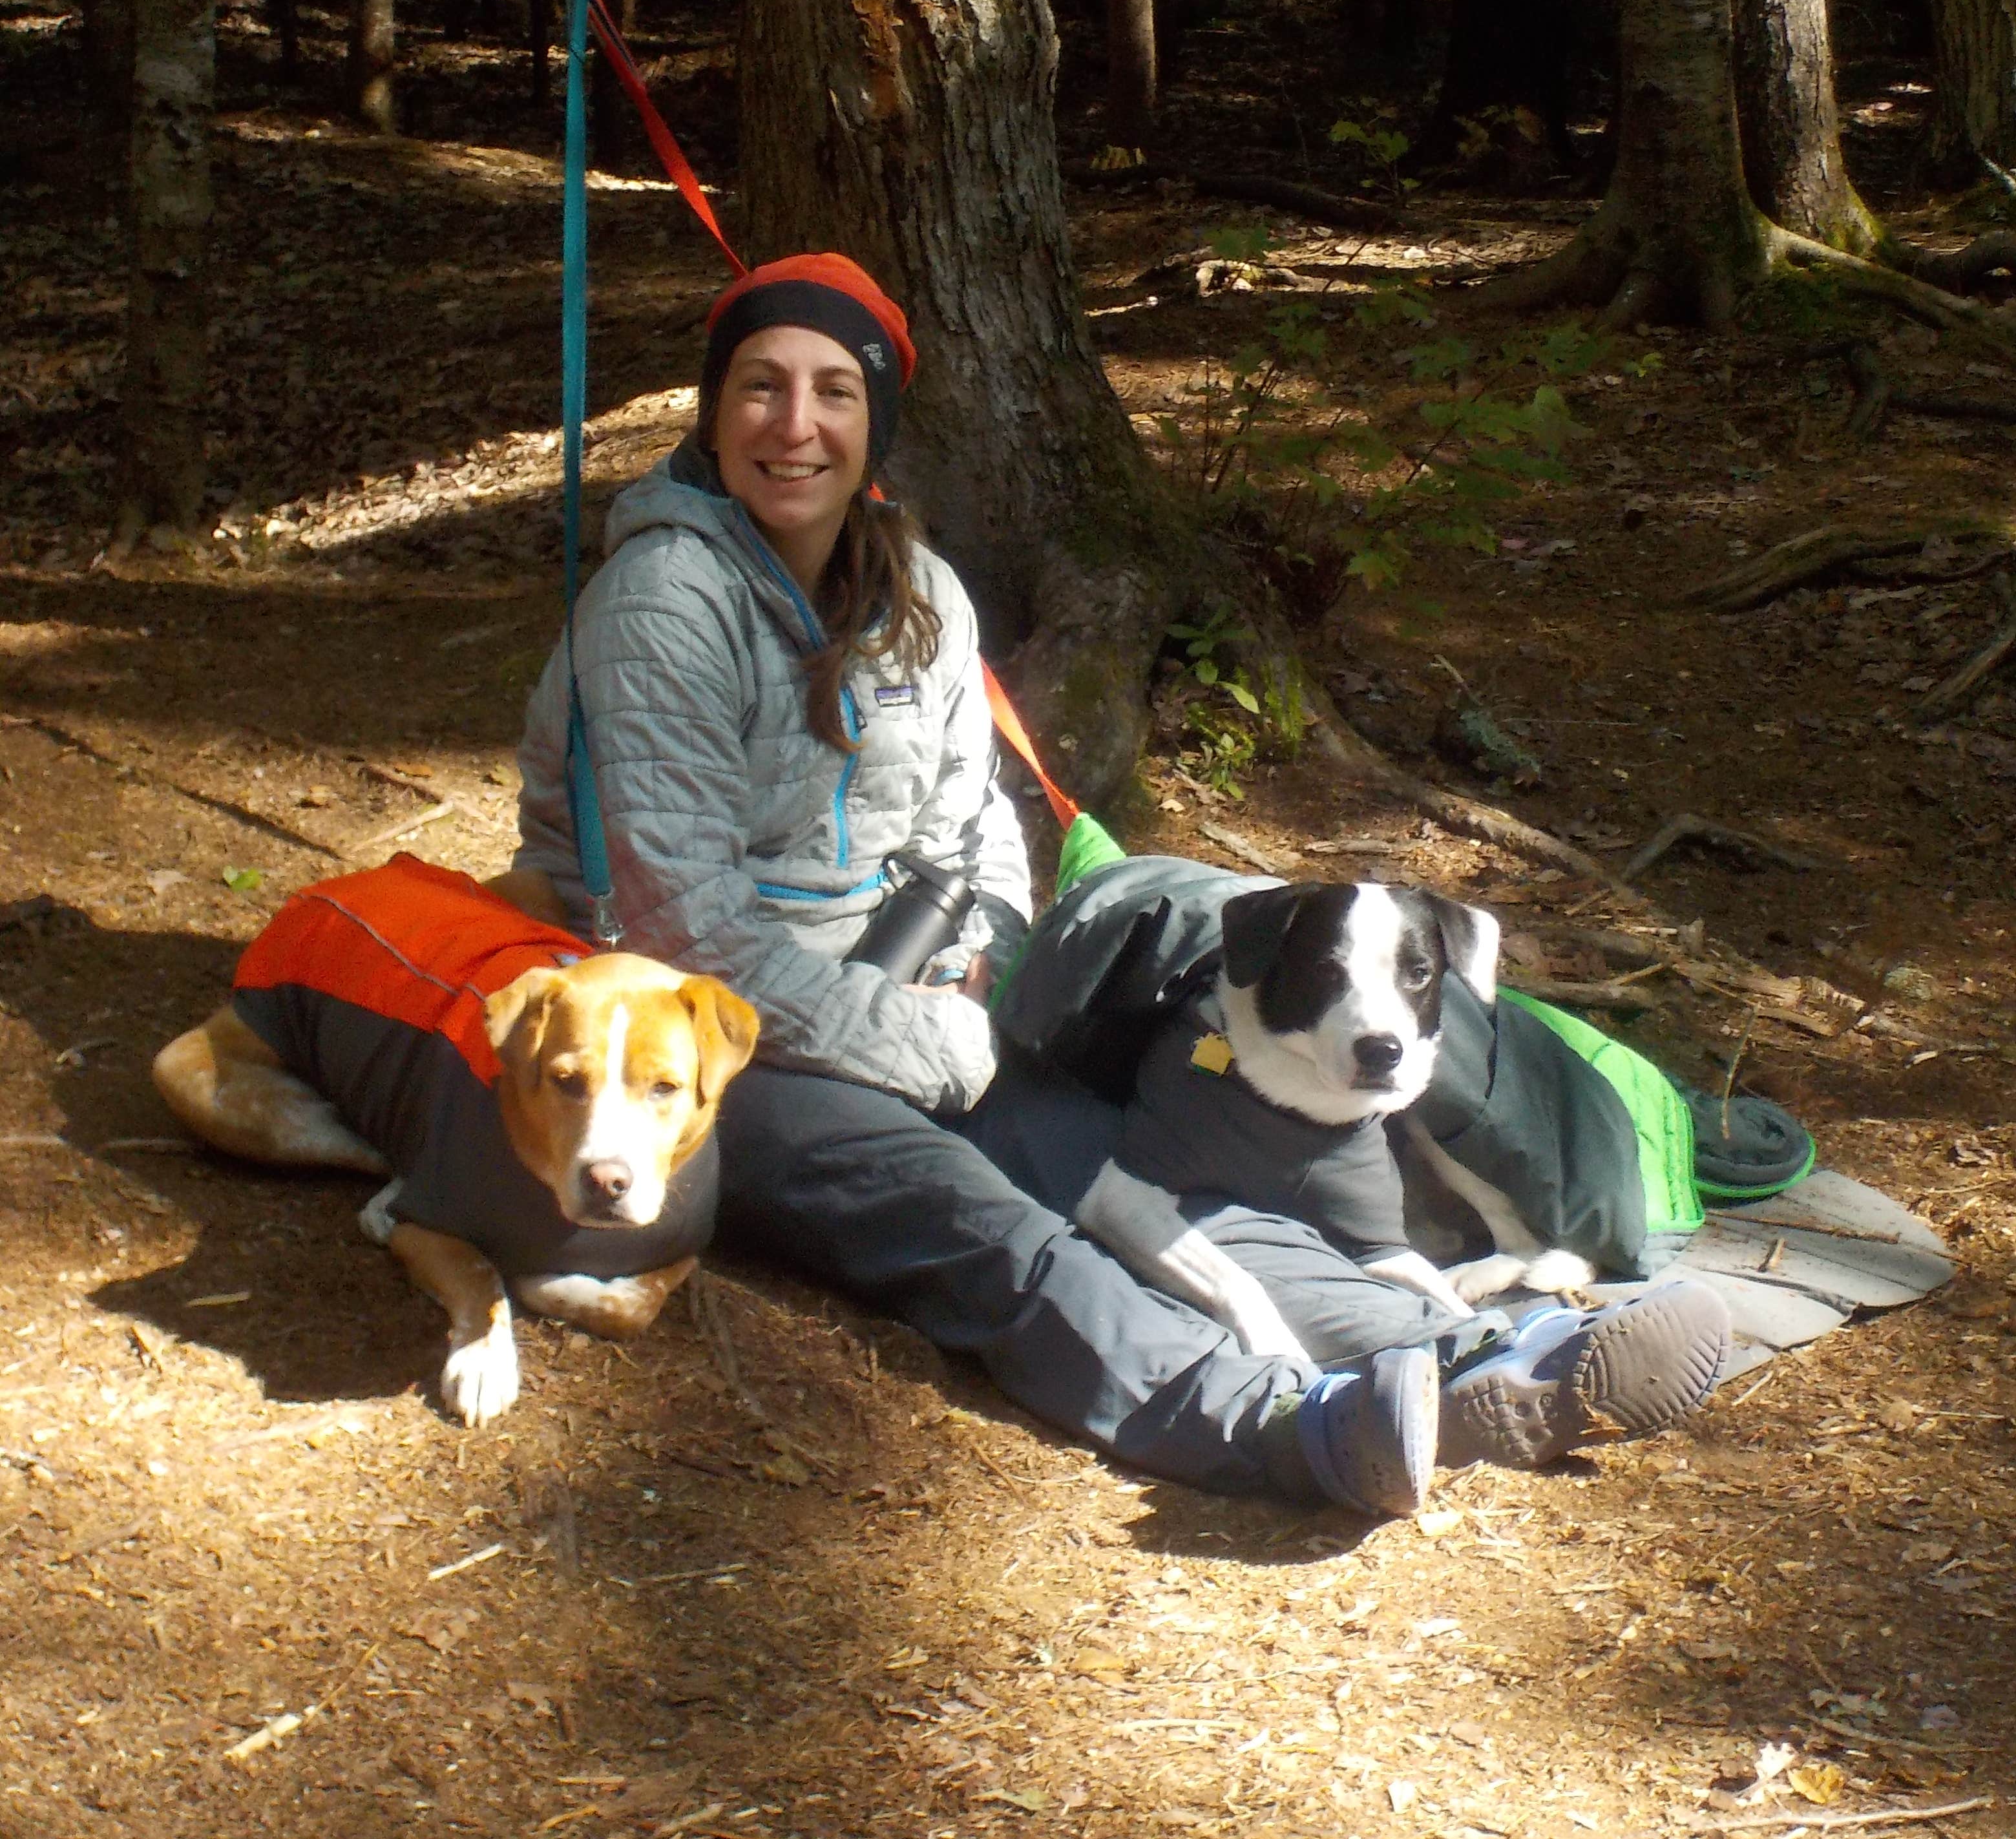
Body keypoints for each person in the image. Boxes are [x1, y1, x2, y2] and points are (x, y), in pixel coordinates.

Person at [512, 253, 1728, 1515]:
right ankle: (1279, 1424)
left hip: (909, 997)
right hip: (707, 1044)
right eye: (759, 388)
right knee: (974, 1215)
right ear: (712, 413)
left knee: (1137, 1182)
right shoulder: (663, 600)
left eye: (833, 390)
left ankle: (1471, 1357)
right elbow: (685, 929)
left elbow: (974, 815)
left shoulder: (914, 591)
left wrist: (977, 952)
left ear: (874, 423)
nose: (795, 424)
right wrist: (929, 1042)